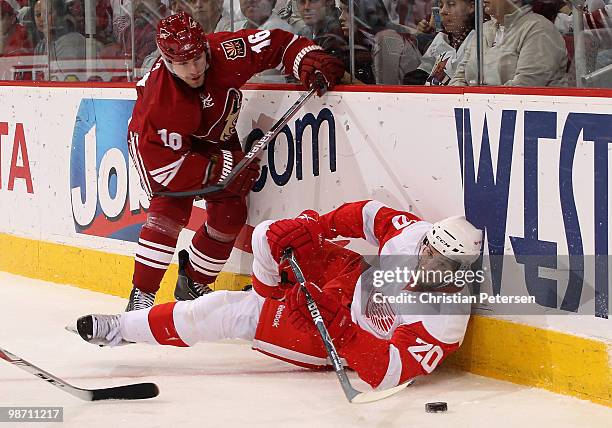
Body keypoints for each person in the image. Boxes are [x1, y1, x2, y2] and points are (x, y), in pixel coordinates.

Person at [75, 200, 483, 390]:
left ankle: (122, 328)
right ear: (426, 239)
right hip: (349, 278)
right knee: (275, 232)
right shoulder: (411, 235)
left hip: (339, 342)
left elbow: (392, 371)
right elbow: (365, 214)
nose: (428, 264)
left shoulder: (445, 317)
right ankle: (268, 293)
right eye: (429, 251)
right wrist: (317, 226)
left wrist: (341, 330)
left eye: (443, 264)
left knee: (227, 309)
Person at [123, 11, 344, 311]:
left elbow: (279, 44)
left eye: (197, 58)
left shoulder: (227, 51)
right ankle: (142, 294)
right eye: (183, 64)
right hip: (163, 152)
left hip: (215, 134)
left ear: (204, 47)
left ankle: (193, 281)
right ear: (166, 61)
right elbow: (165, 170)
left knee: (230, 210)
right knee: (168, 212)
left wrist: (307, 60)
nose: (193, 69)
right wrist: (224, 167)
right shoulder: (159, 102)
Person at [449, 0, 568, 86]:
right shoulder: (483, 29)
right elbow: (459, 77)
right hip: (479, 114)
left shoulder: (539, 29)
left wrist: (476, 103)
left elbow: (524, 87)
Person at [338, 0, 421, 84]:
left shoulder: (386, 38)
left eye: (349, 11)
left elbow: (385, 92)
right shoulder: (367, 40)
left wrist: (345, 77)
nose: (341, 17)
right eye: (341, 10)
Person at [404, 0, 475, 85]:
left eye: (451, 4)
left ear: (472, 7)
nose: (443, 11)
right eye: (441, 6)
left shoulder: (478, 40)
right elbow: (424, 70)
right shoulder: (442, 38)